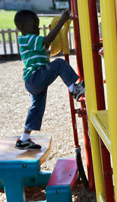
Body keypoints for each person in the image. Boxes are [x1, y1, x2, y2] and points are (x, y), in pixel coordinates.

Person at [13, 9, 85, 150]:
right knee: (59, 63)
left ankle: (24, 139)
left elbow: (47, 46)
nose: (38, 29)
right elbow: (47, 40)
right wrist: (62, 21)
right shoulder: (27, 38)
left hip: (33, 81)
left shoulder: (30, 40)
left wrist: (55, 32)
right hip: (35, 77)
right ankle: (74, 90)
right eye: (35, 26)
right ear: (22, 27)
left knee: (35, 109)